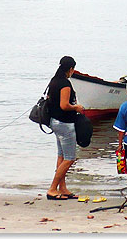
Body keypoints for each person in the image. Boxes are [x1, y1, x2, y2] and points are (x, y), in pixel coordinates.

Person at [46, 56, 84, 200]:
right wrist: (77, 107)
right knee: (70, 158)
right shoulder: (65, 84)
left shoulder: (53, 81)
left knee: (61, 156)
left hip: (55, 121)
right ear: (70, 69)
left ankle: (62, 188)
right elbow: (64, 105)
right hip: (65, 124)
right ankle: (52, 188)